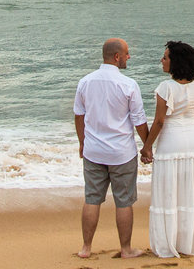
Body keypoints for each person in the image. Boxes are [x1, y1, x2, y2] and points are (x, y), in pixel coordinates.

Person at [73, 37, 150, 259]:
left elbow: (79, 115)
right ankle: (125, 249)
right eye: (126, 53)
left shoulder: (85, 81)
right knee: (124, 201)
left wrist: (82, 142)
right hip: (121, 153)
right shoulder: (128, 85)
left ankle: (86, 248)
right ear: (117, 57)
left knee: (92, 198)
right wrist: (147, 147)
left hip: (94, 151)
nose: (129, 57)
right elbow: (139, 120)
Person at [140, 40, 194, 258]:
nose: (162, 61)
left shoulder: (165, 87)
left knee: (169, 194)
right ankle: (190, 244)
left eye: (165, 57)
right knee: (191, 195)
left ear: (175, 62)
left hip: (171, 143)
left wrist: (146, 147)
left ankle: (167, 245)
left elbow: (160, 122)